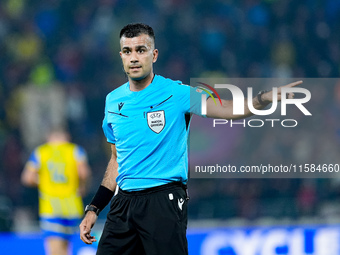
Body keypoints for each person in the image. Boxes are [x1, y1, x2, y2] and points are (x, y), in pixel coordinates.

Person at [79, 23, 301, 254]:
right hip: (123, 204)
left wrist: (263, 99)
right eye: (127, 51)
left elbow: (228, 109)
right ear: (121, 56)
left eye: (141, 50)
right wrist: (94, 207)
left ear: (154, 55)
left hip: (163, 199)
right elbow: (116, 160)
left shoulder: (178, 93)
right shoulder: (113, 101)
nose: (134, 57)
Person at [21, 127, 91, 255]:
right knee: (66, 249)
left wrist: (43, 181)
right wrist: (82, 186)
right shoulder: (75, 150)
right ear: (67, 136)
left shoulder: (41, 152)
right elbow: (84, 173)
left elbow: (27, 178)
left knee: (53, 250)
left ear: (49, 136)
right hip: (71, 206)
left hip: (51, 207)